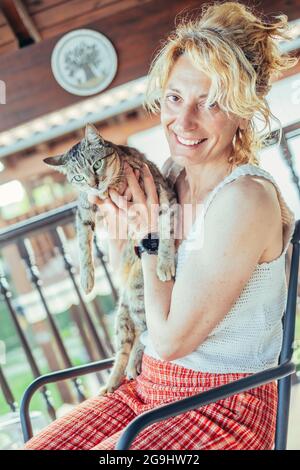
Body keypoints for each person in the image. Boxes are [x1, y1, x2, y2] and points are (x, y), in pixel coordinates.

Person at [25, 1, 297, 450]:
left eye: (209, 104)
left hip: (220, 408)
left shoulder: (243, 199)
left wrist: (151, 235)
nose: (183, 122)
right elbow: (137, 296)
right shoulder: (170, 176)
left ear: (241, 110)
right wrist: (123, 228)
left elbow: (170, 340)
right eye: (174, 97)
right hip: (150, 387)